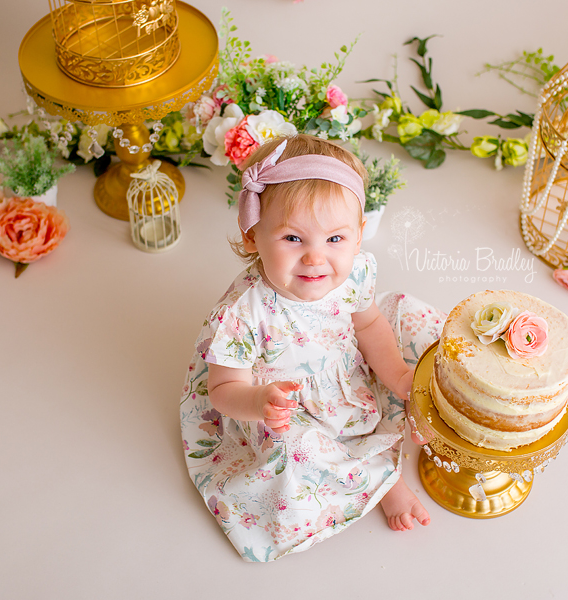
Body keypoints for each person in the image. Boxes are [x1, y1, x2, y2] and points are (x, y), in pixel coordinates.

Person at [179, 134, 444, 562]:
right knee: (298, 453)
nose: (316, 258)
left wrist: (396, 375)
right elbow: (223, 391)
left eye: (335, 239)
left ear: (358, 237)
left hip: (343, 371)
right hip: (283, 403)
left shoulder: (354, 273)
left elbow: (370, 323)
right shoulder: (242, 314)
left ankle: (382, 458)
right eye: (293, 239)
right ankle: (383, 483)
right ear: (252, 237)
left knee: (415, 325)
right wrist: (261, 402)